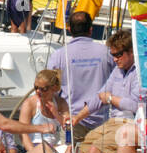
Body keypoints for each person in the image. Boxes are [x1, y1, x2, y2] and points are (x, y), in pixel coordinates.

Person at [63, 29, 147, 153]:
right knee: (78, 147)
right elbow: (100, 96)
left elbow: (134, 106)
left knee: (96, 149)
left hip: (132, 123)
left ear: (131, 52)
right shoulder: (118, 70)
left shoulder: (144, 74)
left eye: (118, 55)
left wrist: (110, 98)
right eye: (113, 55)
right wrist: (78, 117)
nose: (115, 59)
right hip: (113, 123)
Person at [47, 10, 115, 145]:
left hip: (71, 120)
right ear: (91, 30)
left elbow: (50, 90)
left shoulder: (59, 55)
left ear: (70, 30)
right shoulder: (107, 53)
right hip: (100, 120)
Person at [15, 69, 70, 153]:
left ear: (53, 88)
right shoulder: (30, 104)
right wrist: (33, 152)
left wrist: (56, 114)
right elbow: (23, 134)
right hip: (34, 148)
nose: (38, 92)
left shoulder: (61, 103)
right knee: (44, 149)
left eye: (43, 89)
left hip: (56, 148)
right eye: (35, 88)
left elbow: (68, 128)